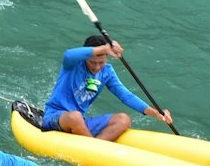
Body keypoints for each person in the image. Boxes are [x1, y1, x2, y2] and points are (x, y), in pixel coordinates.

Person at [42, 36, 173, 139]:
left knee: (124, 119)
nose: (97, 67)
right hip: (56, 117)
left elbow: (126, 96)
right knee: (75, 117)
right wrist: (105, 48)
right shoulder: (73, 64)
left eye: (101, 62)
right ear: (86, 57)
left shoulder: (107, 72)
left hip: (81, 122)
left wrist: (155, 113)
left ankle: (94, 147)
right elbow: (68, 54)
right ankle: (94, 150)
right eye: (92, 62)